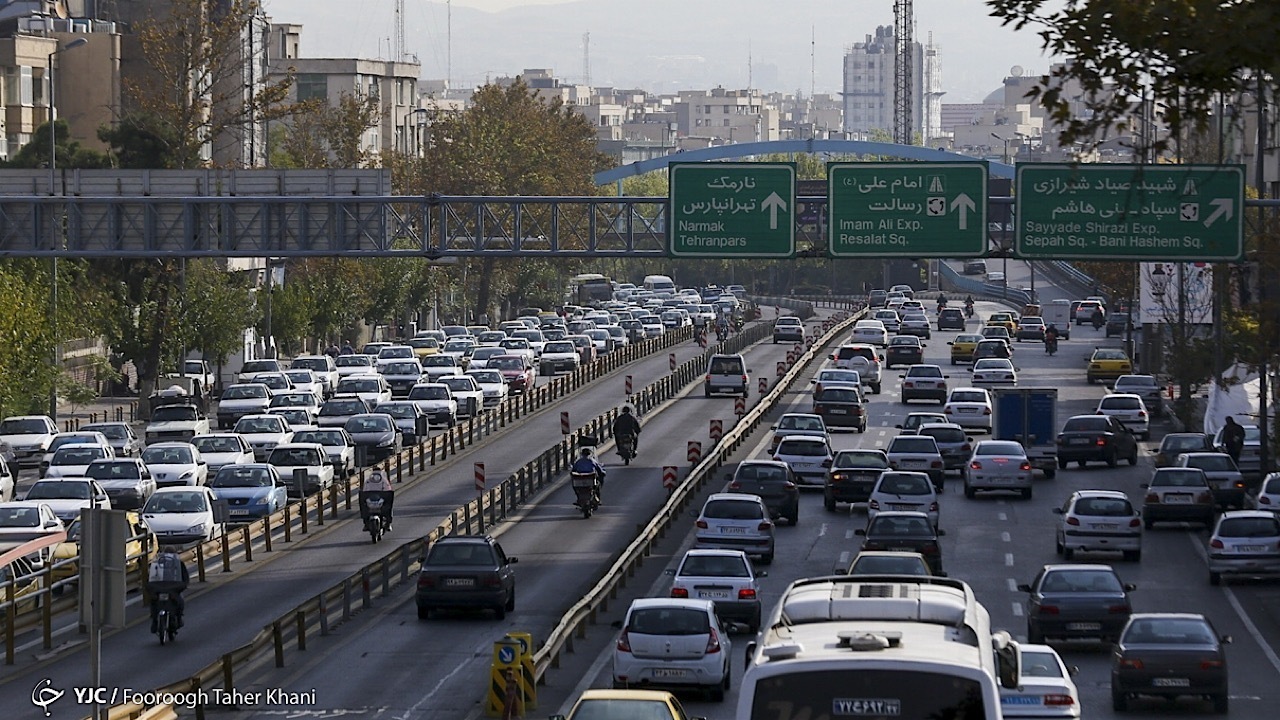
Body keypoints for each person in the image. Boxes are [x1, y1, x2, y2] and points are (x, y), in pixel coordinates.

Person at [147, 546, 190, 633]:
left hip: (164, 588)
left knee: (153, 602)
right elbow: (186, 578)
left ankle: (174, 618)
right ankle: (178, 617)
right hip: (169, 588)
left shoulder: (158, 562)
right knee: (180, 600)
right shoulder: (160, 563)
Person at [360, 467, 395, 533]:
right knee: (365, 509)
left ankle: (388, 523)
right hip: (372, 500)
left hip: (380, 500)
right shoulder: (368, 481)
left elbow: (388, 490)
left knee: (388, 508)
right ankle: (366, 523)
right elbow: (365, 490)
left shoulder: (383, 480)